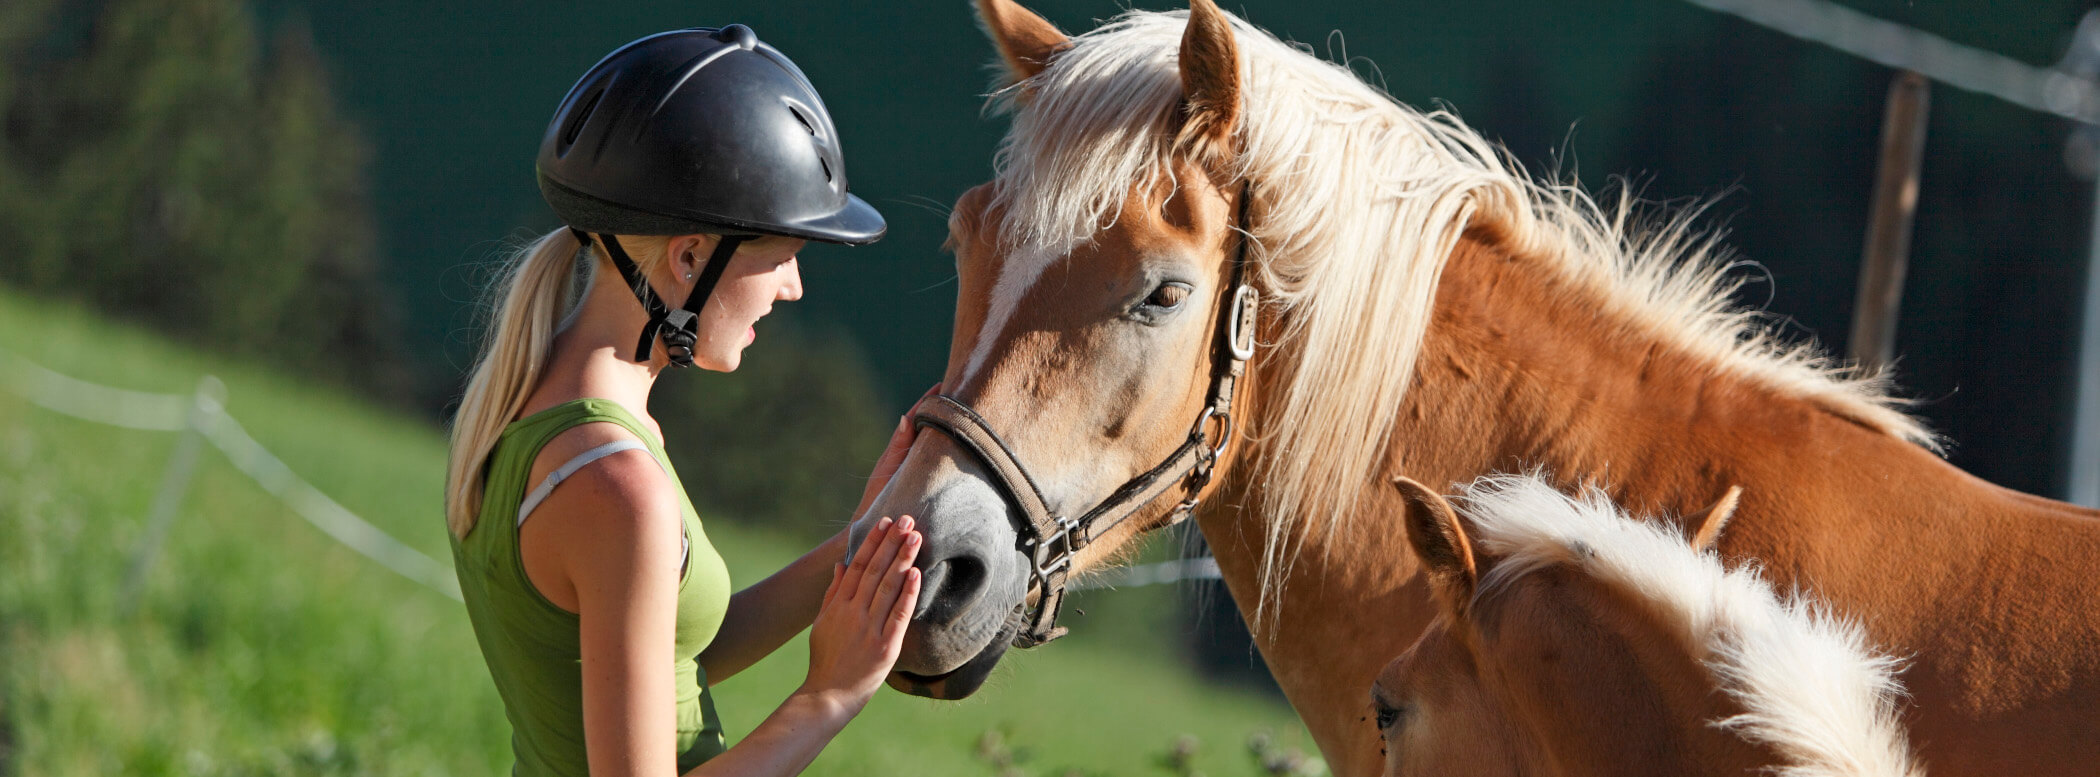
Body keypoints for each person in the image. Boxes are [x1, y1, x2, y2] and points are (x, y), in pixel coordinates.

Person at [442, 24, 925, 777]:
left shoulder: (546, 412)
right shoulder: (615, 484)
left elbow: (665, 649)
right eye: (784, 258)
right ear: (691, 255)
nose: (793, 287)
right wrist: (829, 694)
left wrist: (856, 542)